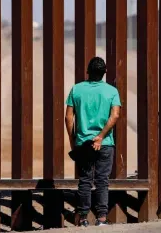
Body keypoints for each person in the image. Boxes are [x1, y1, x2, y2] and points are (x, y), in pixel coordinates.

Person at [65, 56, 121, 227]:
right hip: (105, 143)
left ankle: (82, 219)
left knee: (85, 180)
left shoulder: (76, 89)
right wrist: (102, 136)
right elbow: (115, 115)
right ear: (104, 73)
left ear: (88, 72)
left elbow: (68, 117)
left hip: (83, 143)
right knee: (102, 180)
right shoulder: (112, 91)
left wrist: (73, 139)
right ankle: (102, 219)